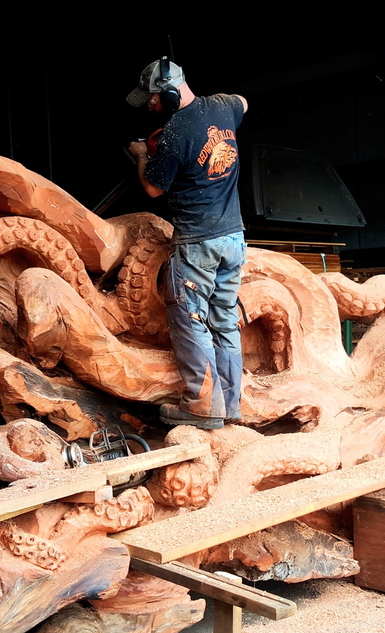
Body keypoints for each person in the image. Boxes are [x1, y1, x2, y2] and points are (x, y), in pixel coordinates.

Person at [127, 57, 248, 430]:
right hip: (234, 237)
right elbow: (244, 102)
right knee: (224, 320)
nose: (150, 106)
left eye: (152, 99)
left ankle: (202, 406)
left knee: (190, 319)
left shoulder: (175, 132)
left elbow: (152, 188)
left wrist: (142, 155)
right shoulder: (224, 107)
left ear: (168, 92)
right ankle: (230, 404)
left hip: (199, 243)